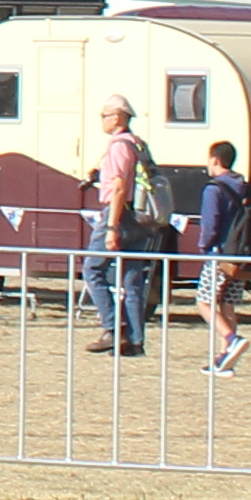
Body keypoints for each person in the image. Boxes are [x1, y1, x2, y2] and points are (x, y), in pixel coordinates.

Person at [86, 96, 159, 356]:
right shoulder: (138, 144)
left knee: (92, 269)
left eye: (104, 115)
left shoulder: (118, 146)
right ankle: (135, 341)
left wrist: (112, 228)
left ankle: (112, 328)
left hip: (119, 214)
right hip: (141, 217)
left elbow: (118, 188)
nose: (102, 119)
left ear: (117, 117)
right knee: (132, 278)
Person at [194, 143, 251, 373]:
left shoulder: (213, 189)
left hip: (219, 254)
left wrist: (203, 246)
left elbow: (210, 223)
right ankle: (226, 357)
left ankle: (231, 339)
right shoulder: (243, 187)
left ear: (215, 160)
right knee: (227, 304)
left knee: (204, 302)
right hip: (241, 254)